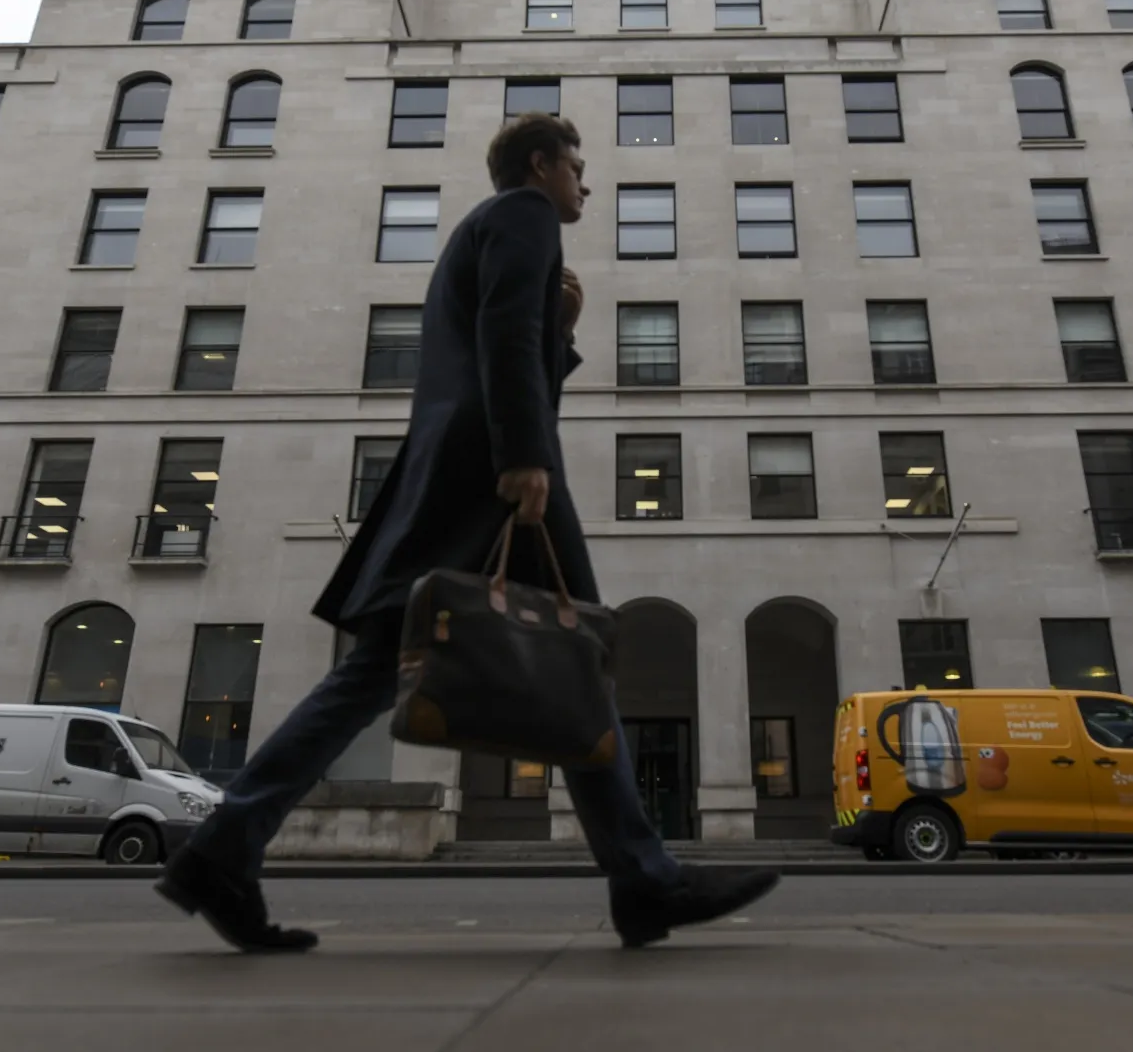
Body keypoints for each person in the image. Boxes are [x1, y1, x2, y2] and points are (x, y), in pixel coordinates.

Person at [156, 112, 779, 952]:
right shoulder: (521, 217)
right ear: (539, 165)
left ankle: (221, 850)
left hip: (455, 475)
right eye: (576, 166)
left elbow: (510, 342)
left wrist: (559, 331)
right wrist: (526, 454)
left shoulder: (480, 232)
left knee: (396, 668)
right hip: (492, 478)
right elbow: (502, 338)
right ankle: (643, 876)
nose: (584, 183)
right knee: (576, 664)